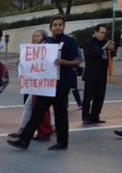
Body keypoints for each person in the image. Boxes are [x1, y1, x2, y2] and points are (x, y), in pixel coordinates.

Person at [7, 16, 80, 152]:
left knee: (60, 113)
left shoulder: (70, 42)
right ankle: (24, 140)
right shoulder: (46, 42)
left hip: (61, 83)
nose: (57, 27)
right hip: (46, 85)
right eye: (55, 25)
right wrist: (24, 63)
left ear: (63, 27)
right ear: (50, 28)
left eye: (60, 25)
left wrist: (63, 62)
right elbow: (36, 58)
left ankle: (62, 142)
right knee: (37, 112)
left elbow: (76, 61)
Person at [9, 30, 54, 142]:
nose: (35, 38)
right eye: (34, 36)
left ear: (44, 37)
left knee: (38, 107)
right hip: (35, 84)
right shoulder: (30, 50)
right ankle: (28, 130)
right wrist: (22, 63)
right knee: (32, 105)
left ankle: (40, 131)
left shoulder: (47, 48)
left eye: (38, 36)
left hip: (43, 84)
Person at [81, 24, 114, 125]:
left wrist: (112, 50)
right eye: (101, 33)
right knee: (88, 96)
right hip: (91, 73)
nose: (103, 35)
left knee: (100, 96)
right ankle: (86, 116)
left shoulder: (106, 42)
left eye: (104, 33)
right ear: (95, 32)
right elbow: (89, 55)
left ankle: (95, 115)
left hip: (102, 73)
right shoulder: (89, 42)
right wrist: (102, 49)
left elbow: (109, 57)